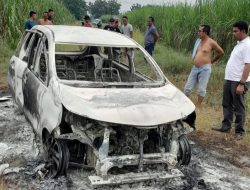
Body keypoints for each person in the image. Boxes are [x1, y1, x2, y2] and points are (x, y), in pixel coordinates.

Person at [212, 21, 250, 140]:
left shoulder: (247, 45)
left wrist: (242, 84)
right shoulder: (239, 44)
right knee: (227, 104)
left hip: (238, 81)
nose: (233, 33)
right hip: (229, 79)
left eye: (235, 31)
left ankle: (239, 131)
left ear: (243, 31)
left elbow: (248, 65)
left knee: (238, 106)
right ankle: (226, 126)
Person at [184, 24, 224, 111]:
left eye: (199, 31)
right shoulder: (198, 41)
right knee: (187, 88)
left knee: (201, 89)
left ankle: (197, 106)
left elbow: (221, 52)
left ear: (205, 32)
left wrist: (211, 62)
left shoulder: (211, 42)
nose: (198, 32)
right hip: (195, 68)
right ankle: (184, 104)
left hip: (205, 69)